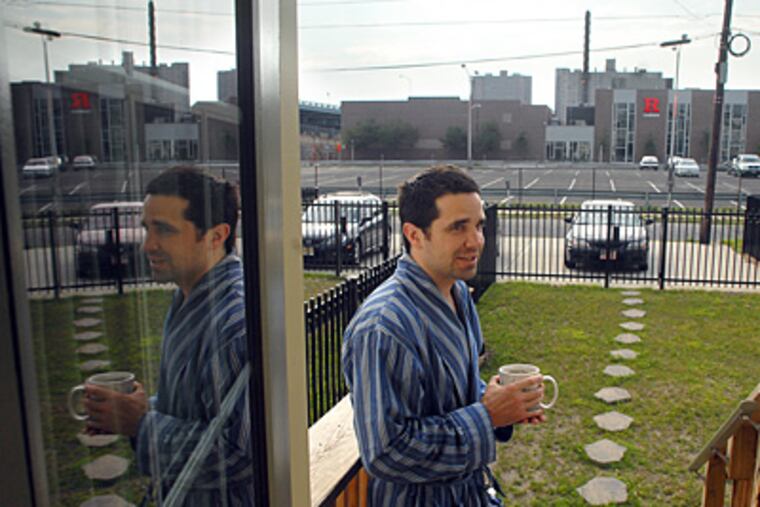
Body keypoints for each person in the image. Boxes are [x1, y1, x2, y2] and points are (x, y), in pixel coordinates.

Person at [342, 165, 547, 506]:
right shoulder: (384, 327)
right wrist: (488, 416)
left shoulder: (459, 294)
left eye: (479, 225)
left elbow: (457, 390)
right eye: (457, 228)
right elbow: (386, 452)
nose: (476, 241)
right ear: (414, 234)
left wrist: (504, 401)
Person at [83, 166, 253, 505]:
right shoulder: (190, 295)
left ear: (216, 236)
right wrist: (138, 409)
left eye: (164, 230)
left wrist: (142, 424)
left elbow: (239, 454)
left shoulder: (235, 321)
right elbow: (201, 410)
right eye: (147, 228)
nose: (148, 245)